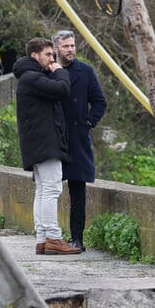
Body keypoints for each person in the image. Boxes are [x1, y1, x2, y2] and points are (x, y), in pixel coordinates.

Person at [14, 37, 81, 255]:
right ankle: (53, 237)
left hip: (38, 142)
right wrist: (59, 70)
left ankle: (42, 238)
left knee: (43, 189)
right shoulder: (32, 78)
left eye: (53, 55)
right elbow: (62, 89)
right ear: (35, 55)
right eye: (48, 55)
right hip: (45, 142)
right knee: (52, 188)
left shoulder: (29, 77)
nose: (52, 58)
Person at [53, 30, 107, 252]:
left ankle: (77, 239)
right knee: (49, 188)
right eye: (66, 46)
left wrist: (88, 123)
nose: (70, 50)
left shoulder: (85, 71)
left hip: (77, 137)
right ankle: (49, 236)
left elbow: (100, 102)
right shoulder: (48, 72)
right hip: (53, 137)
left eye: (72, 46)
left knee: (78, 191)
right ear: (56, 48)